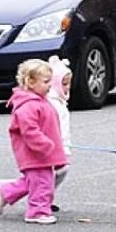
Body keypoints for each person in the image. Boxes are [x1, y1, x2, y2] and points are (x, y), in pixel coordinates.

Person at [0, 59, 68, 224]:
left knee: (37, 180)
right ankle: (37, 211)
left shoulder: (40, 100)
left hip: (42, 152)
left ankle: (7, 192)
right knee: (42, 183)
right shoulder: (28, 105)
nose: (50, 85)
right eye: (46, 81)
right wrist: (44, 144)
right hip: (34, 152)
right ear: (31, 82)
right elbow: (29, 130)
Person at [46, 55, 73, 213]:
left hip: (62, 144)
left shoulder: (61, 102)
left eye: (68, 84)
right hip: (53, 145)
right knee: (52, 172)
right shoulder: (51, 103)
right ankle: (10, 191)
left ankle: (46, 197)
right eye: (64, 84)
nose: (67, 88)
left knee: (60, 171)